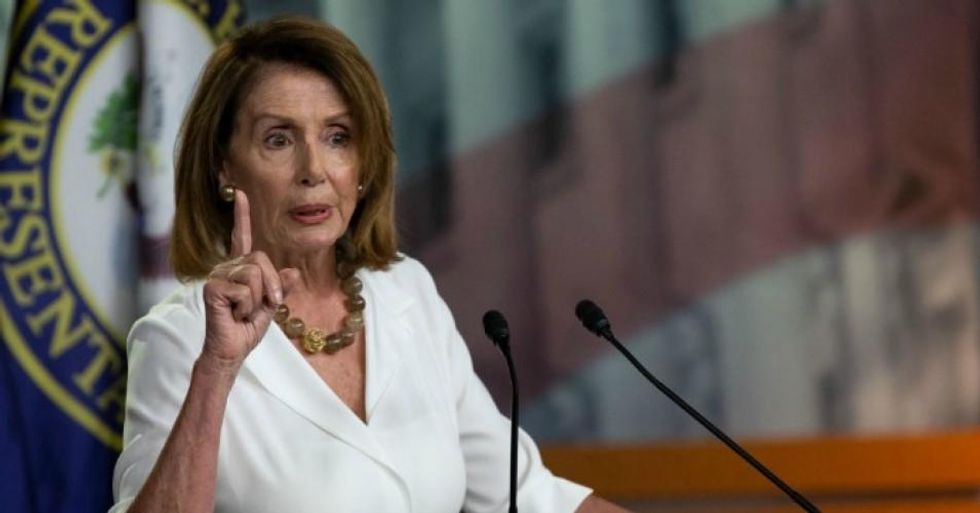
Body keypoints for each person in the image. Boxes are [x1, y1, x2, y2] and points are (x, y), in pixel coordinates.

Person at [110, 17, 628, 513]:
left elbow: (525, 495)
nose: (313, 171)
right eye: (278, 139)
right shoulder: (182, 338)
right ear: (225, 167)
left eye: (337, 137)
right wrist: (218, 368)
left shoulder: (406, 291)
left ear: (363, 165)